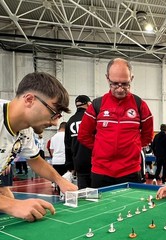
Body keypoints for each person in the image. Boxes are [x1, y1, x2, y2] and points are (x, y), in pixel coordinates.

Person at [0, 72, 78, 222]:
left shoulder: (25, 130)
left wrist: (61, 181)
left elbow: (35, 160)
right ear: (29, 99)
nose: (55, 123)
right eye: (54, 113)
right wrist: (11, 205)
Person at [78, 58, 154, 187]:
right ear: (107, 78)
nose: (120, 89)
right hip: (101, 171)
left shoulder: (140, 105)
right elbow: (83, 135)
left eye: (125, 84)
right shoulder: (97, 105)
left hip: (130, 171)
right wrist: (100, 148)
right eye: (115, 84)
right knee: (101, 207)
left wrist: (133, 148)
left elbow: (148, 135)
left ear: (132, 78)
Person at [65, 95, 92, 189]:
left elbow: (67, 145)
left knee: (84, 193)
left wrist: (70, 165)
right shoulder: (91, 118)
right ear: (89, 104)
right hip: (94, 161)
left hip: (79, 162)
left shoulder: (70, 121)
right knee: (97, 192)